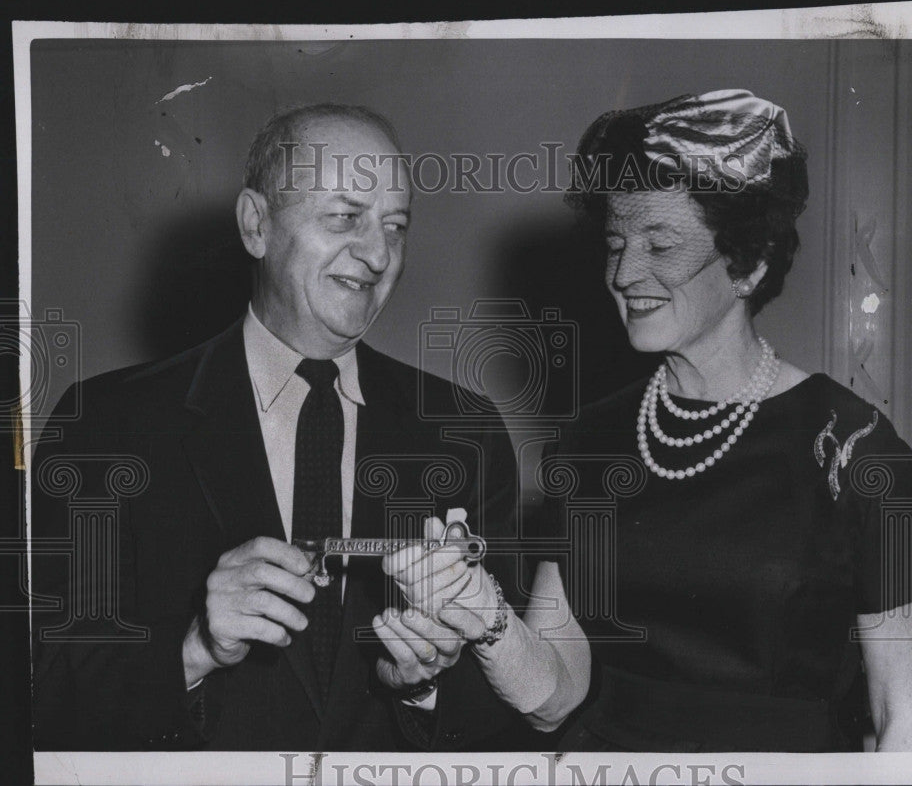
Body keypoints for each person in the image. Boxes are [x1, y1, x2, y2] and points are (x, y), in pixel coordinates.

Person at [29, 104, 552, 751]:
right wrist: (195, 647)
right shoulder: (107, 423)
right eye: (344, 217)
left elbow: (513, 714)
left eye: (396, 225)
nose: (378, 253)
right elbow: (44, 691)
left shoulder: (465, 430)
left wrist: (426, 685)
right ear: (256, 225)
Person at [526, 89, 912, 752]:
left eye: (660, 244)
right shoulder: (589, 441)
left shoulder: (858, 452)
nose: (624, 272)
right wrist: (484, 621)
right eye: (614, 243)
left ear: (747, 263)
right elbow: (554, 694)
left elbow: (908, 723)